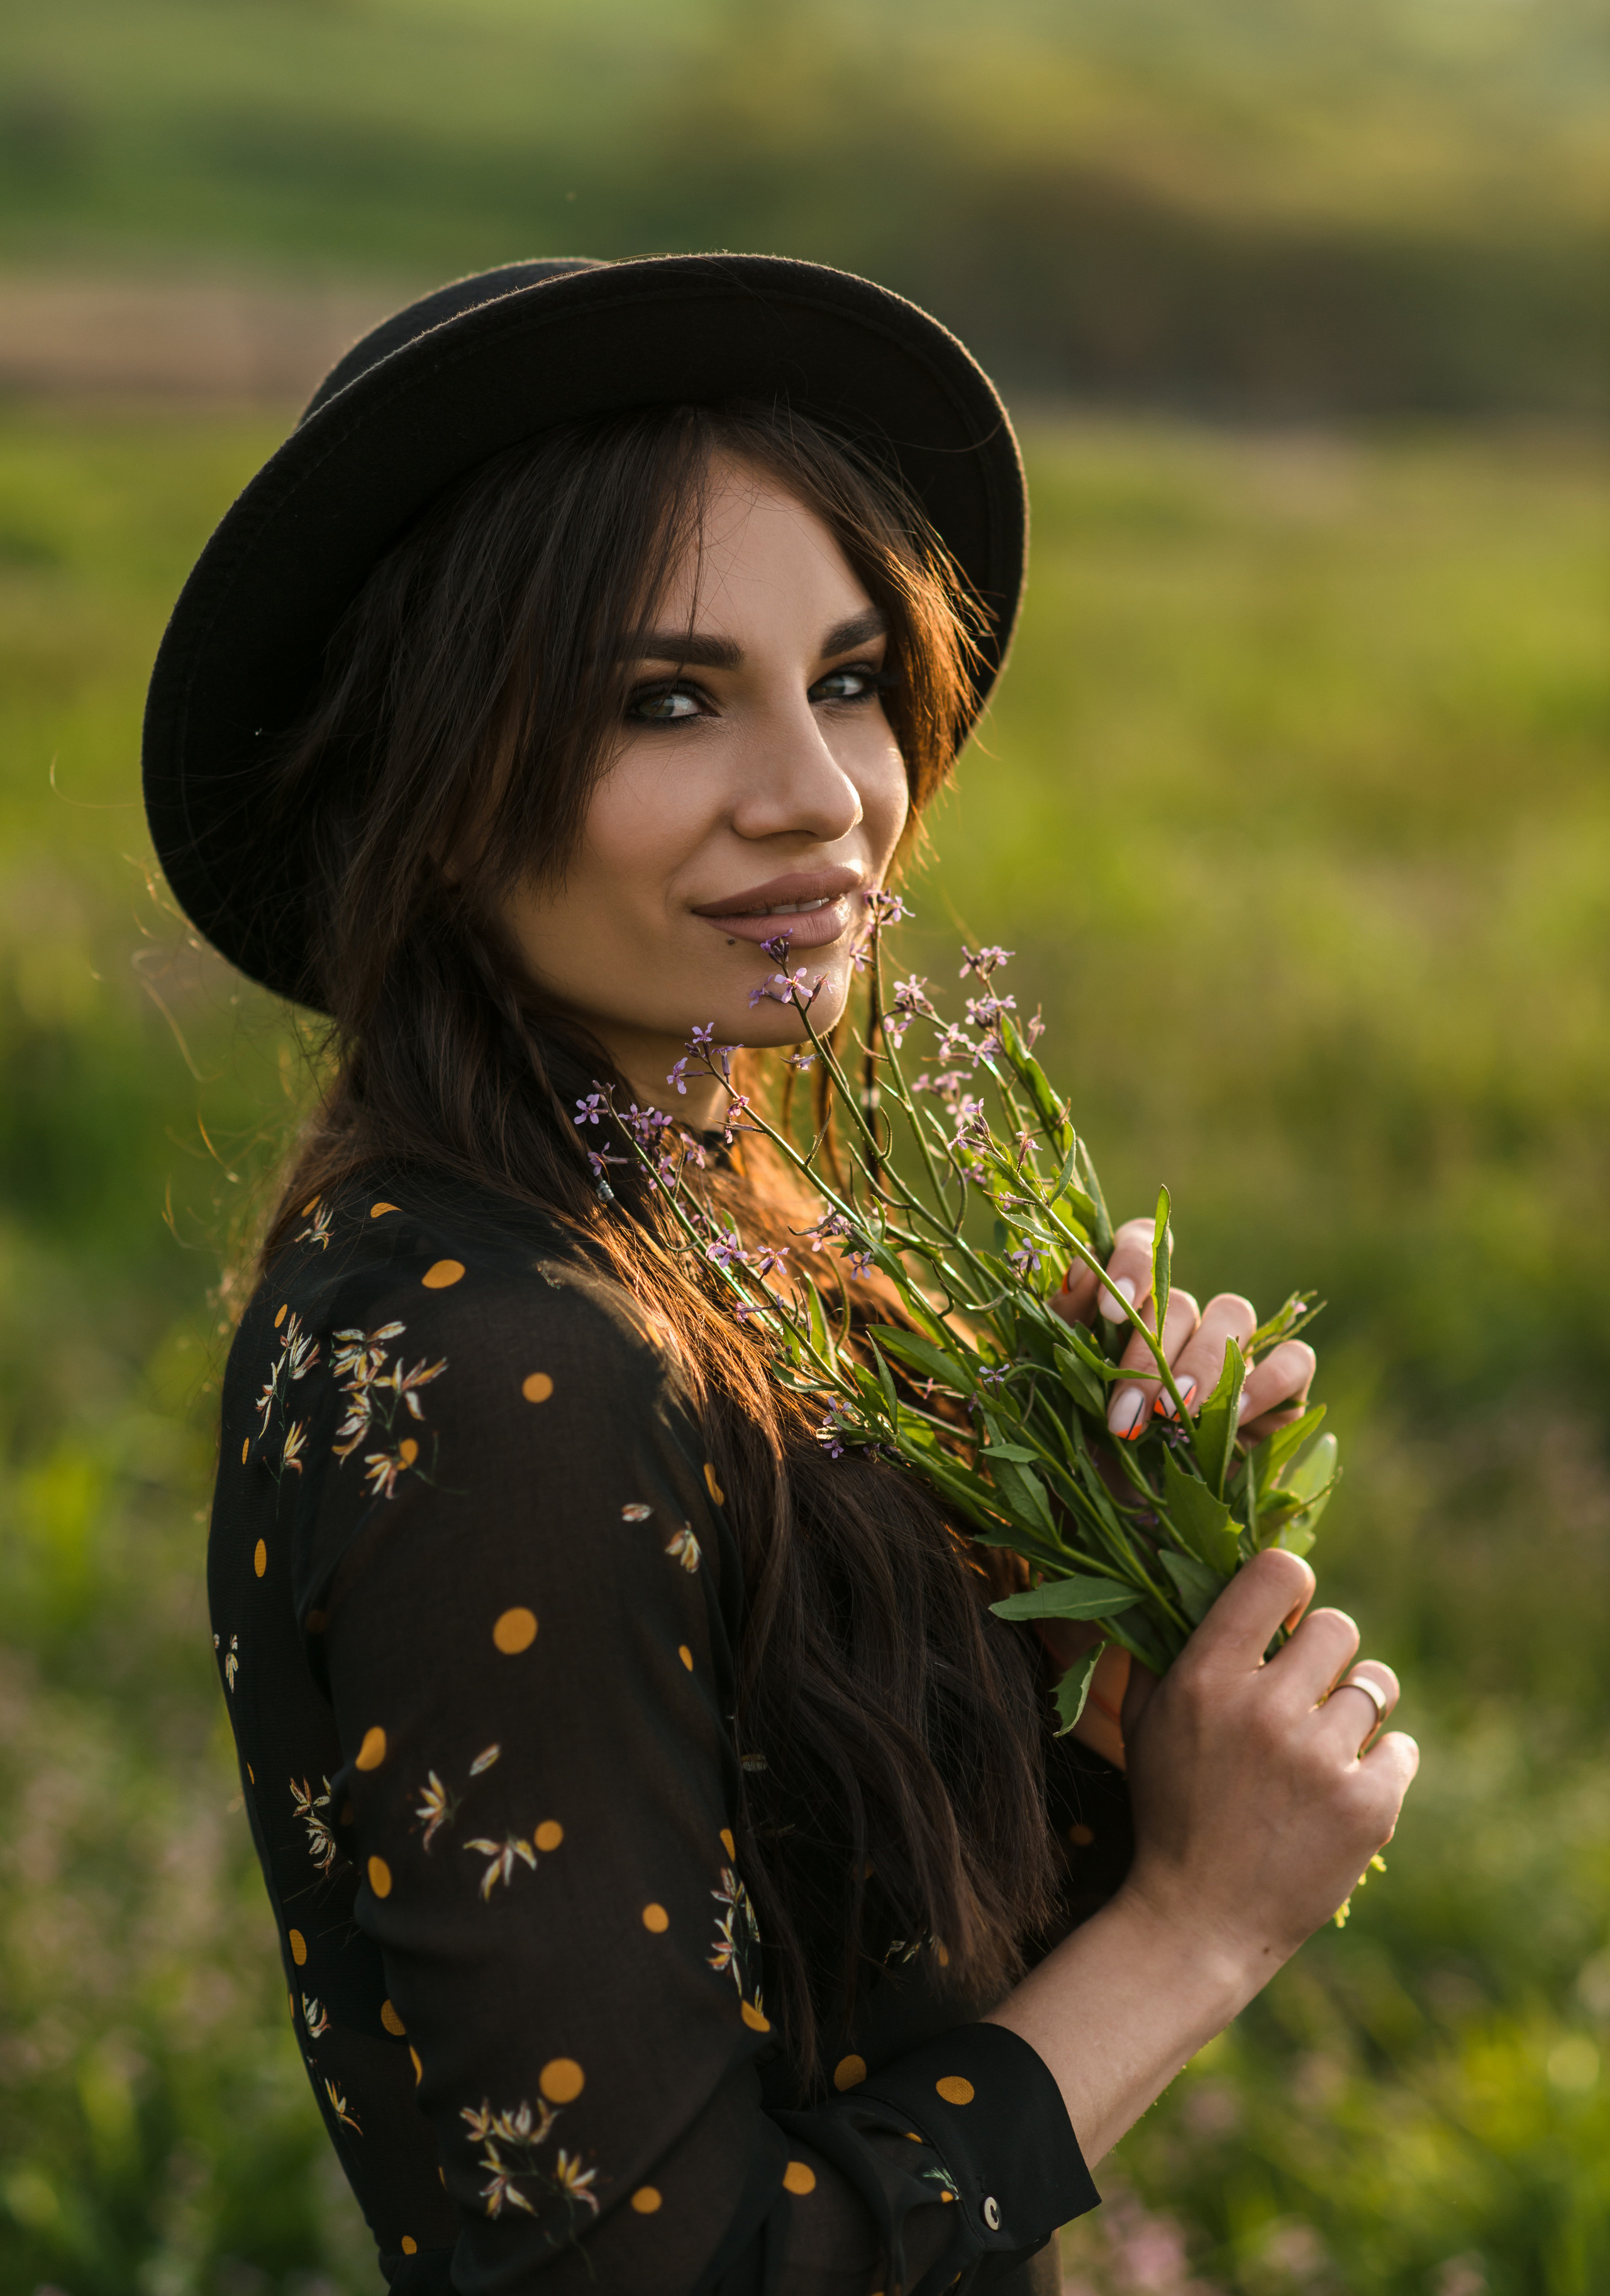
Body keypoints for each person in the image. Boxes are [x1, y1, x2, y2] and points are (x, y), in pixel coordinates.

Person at [143, 257, 1417, 2296]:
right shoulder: (487, 1366)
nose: (823, 798)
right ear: (439, 784)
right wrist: (1202, 1926)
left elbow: (855, 1988)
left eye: (843, 679)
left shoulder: (683, 1249)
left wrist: (1096, 1666)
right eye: (667, 699)